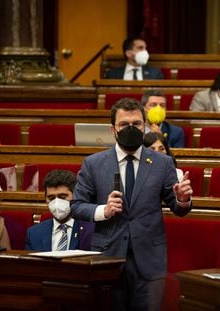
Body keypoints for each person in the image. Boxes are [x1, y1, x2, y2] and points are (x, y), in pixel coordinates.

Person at [72, 97, 193, 311]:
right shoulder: (93, 163)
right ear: (113, 130)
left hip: (149, 260)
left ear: (144, 125)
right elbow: (76, 205)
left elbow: (177, 206)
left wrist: (182, 200)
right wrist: (104, 210)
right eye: (124, 125)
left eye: (136, 124)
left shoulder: (162, 163)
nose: (131, 129)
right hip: (108, 259)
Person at [25, 169, 94, 251]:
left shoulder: (91, 230)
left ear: (75, 196)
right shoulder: (34, 233)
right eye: (51, 198)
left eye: (62, 197)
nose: (56, 202)